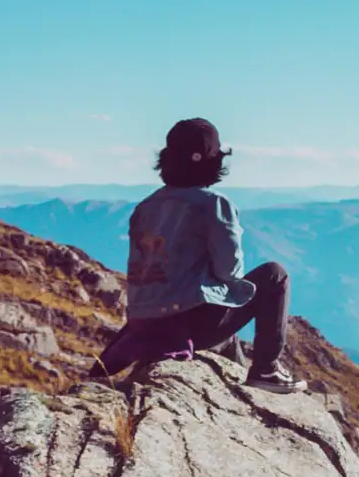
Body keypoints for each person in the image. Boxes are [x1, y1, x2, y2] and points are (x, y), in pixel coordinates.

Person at [94, 118, 306, 392]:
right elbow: (230, 271)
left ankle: (236, 378)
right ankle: (265, 370)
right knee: (275, 275)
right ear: (211, 161)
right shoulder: (214, 205)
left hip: (143, 325)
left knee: (223, 324)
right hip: (188, 325)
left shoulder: (145, 207)